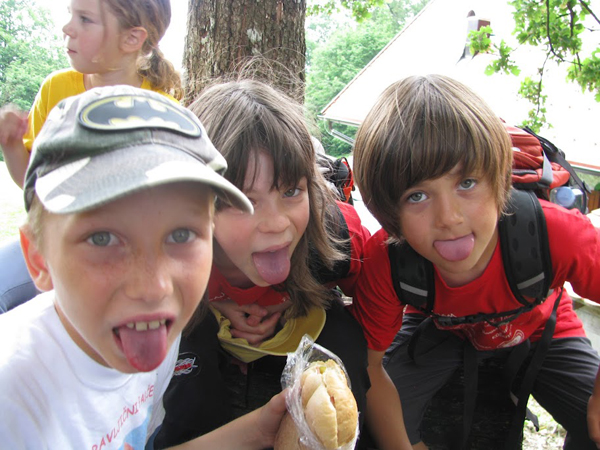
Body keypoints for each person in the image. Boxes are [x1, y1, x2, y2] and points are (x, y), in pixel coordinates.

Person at [0, 85, 289, 449]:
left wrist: (258, 431)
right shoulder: (12, 402)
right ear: (38, 258)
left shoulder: (152, 334)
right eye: (102, 238)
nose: (155, 288)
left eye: (182, 234)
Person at [349, 73, 600, 449]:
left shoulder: (557, 234)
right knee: (368, 425)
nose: (449, 218)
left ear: (499, 183)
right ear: (390, 214)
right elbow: (370, 368)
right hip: (441, 328)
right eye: (417, 196)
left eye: (466, 183)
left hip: (540, 325)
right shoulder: (387, 261)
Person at [154, 79, 373, 448]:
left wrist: (296, 299)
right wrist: (214, 305)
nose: (276, 223)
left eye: (291, 191)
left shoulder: (335, 238)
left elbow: (377, 290)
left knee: (346, 341)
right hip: (203, 327)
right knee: (186, 358)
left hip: (304, 320)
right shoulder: (172, 252)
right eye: (244, 201)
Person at [0, 0, 182, 188]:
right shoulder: (55, 88)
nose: (67, 28)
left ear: (131, 38)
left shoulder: (166, 113)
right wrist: (12, 144)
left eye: (85, 19)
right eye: (70, 13)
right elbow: (34, 184)